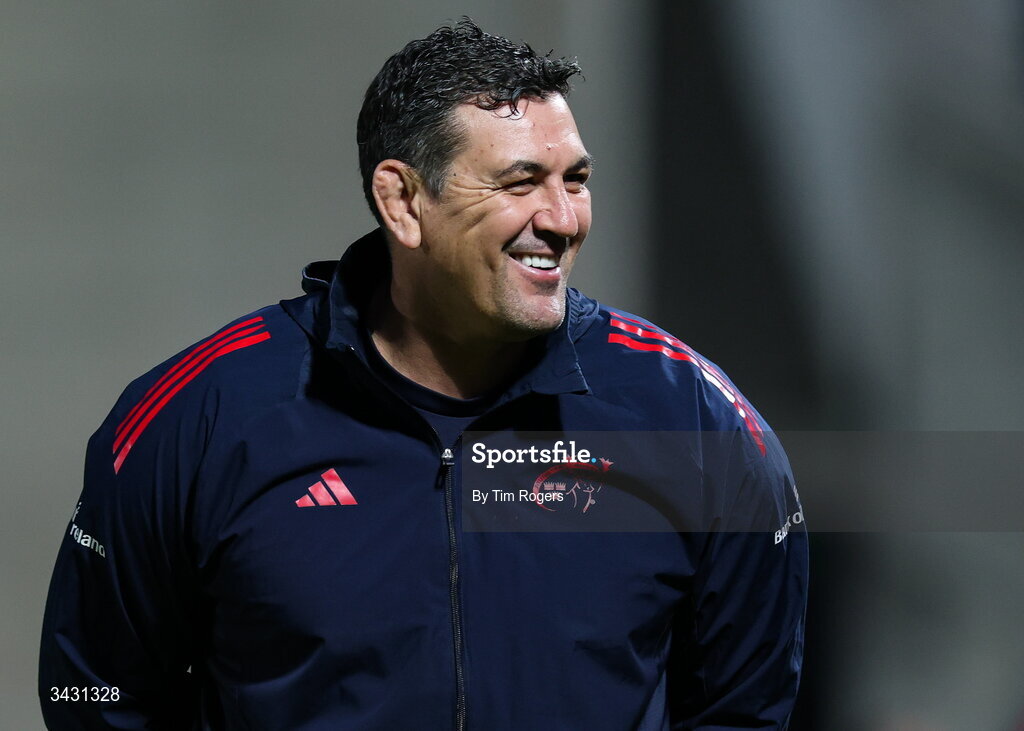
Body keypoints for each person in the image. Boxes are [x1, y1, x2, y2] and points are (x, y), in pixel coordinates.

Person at [39, 18, 807, 730]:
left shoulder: (693, 422)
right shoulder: (199, 419)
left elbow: (746, 705)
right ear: (402, 200)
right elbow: (95, 691)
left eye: (574, 178)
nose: (562, 218)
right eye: (518, 182)